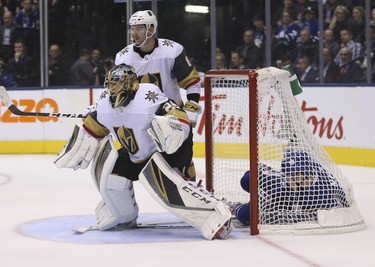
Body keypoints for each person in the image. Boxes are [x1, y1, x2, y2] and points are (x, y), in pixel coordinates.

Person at [54, 64, 232, 240]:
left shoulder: (148, 96)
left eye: (117, 83)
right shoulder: (104, 106)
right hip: (135, 154)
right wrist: (84, 135)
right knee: (113, 183)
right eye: (110, 84)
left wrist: (173, 127)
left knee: (175, 188)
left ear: (130, 84)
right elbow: (96, 127)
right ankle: (124, 216)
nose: (112, 89)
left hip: (165, 151)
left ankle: (215, 215)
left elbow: (178, 115)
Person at [115, 10, 202, 180]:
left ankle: (188, 178)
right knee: (120, 171)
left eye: (139, 28)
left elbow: (192, 82)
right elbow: (120, 92)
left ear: (151, 30)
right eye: (132, 28)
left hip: (171, 120)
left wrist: (191, 106)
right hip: (141, 122)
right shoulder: (123, 57)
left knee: (177, 172)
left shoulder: (172, 51)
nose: (134, 33)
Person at [235, 151, 350, 226]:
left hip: (290, 199)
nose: (287, 177)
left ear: (301, 175)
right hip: (289, 192)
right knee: (246, 180)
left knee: (245, 215)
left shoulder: (317, 196)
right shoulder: (309, 170)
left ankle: (236, 207)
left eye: (290, 175)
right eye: (287, 174)